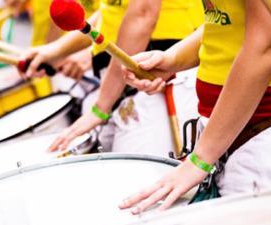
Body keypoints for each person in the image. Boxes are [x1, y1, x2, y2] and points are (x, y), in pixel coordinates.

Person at [119, 0, 271, 214]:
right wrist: (173, 58)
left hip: (262, 135)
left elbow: (267, 44)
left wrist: (201, 158)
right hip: (230, 136)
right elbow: (226, 19)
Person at [24, 0, 203, 155]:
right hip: (118, 84)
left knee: (138, 186)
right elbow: (111, 10)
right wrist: (56, 50)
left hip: (156, 81)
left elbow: (142, 15)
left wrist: (101, 107)